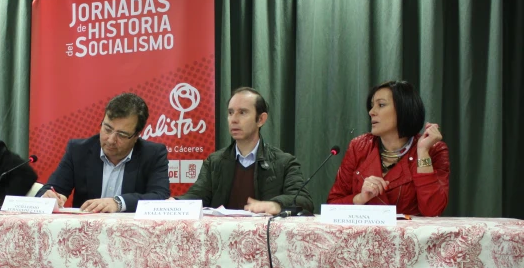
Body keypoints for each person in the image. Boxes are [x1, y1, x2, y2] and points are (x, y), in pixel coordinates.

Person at [177, 87, 312, 215]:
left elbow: (304, 200)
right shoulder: (214, 162)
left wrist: (274, 205)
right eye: (230, 113)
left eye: (242, 112)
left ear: (260, 119)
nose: (234, 120)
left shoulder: (285, 162)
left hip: (265, 236)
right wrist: (174, 203)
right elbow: (197, 196)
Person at [327, 80, 449, 216]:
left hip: (409, 236)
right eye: (372, 106)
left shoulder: (434, 149)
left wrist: (423, 152)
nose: (371, 112)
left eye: (381, 105)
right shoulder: (359, 146)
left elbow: (432, 211)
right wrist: (360, 198)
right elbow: (332, 206)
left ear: (404, 108)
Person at [37, 92, 170, 212]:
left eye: (122, 135)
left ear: (136, 136)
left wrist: (118, 203)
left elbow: (160, 196)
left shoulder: (153, 154)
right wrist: (49, 197)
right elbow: (48, 190)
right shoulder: (78, 150)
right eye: (107, 129)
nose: (111, 140)